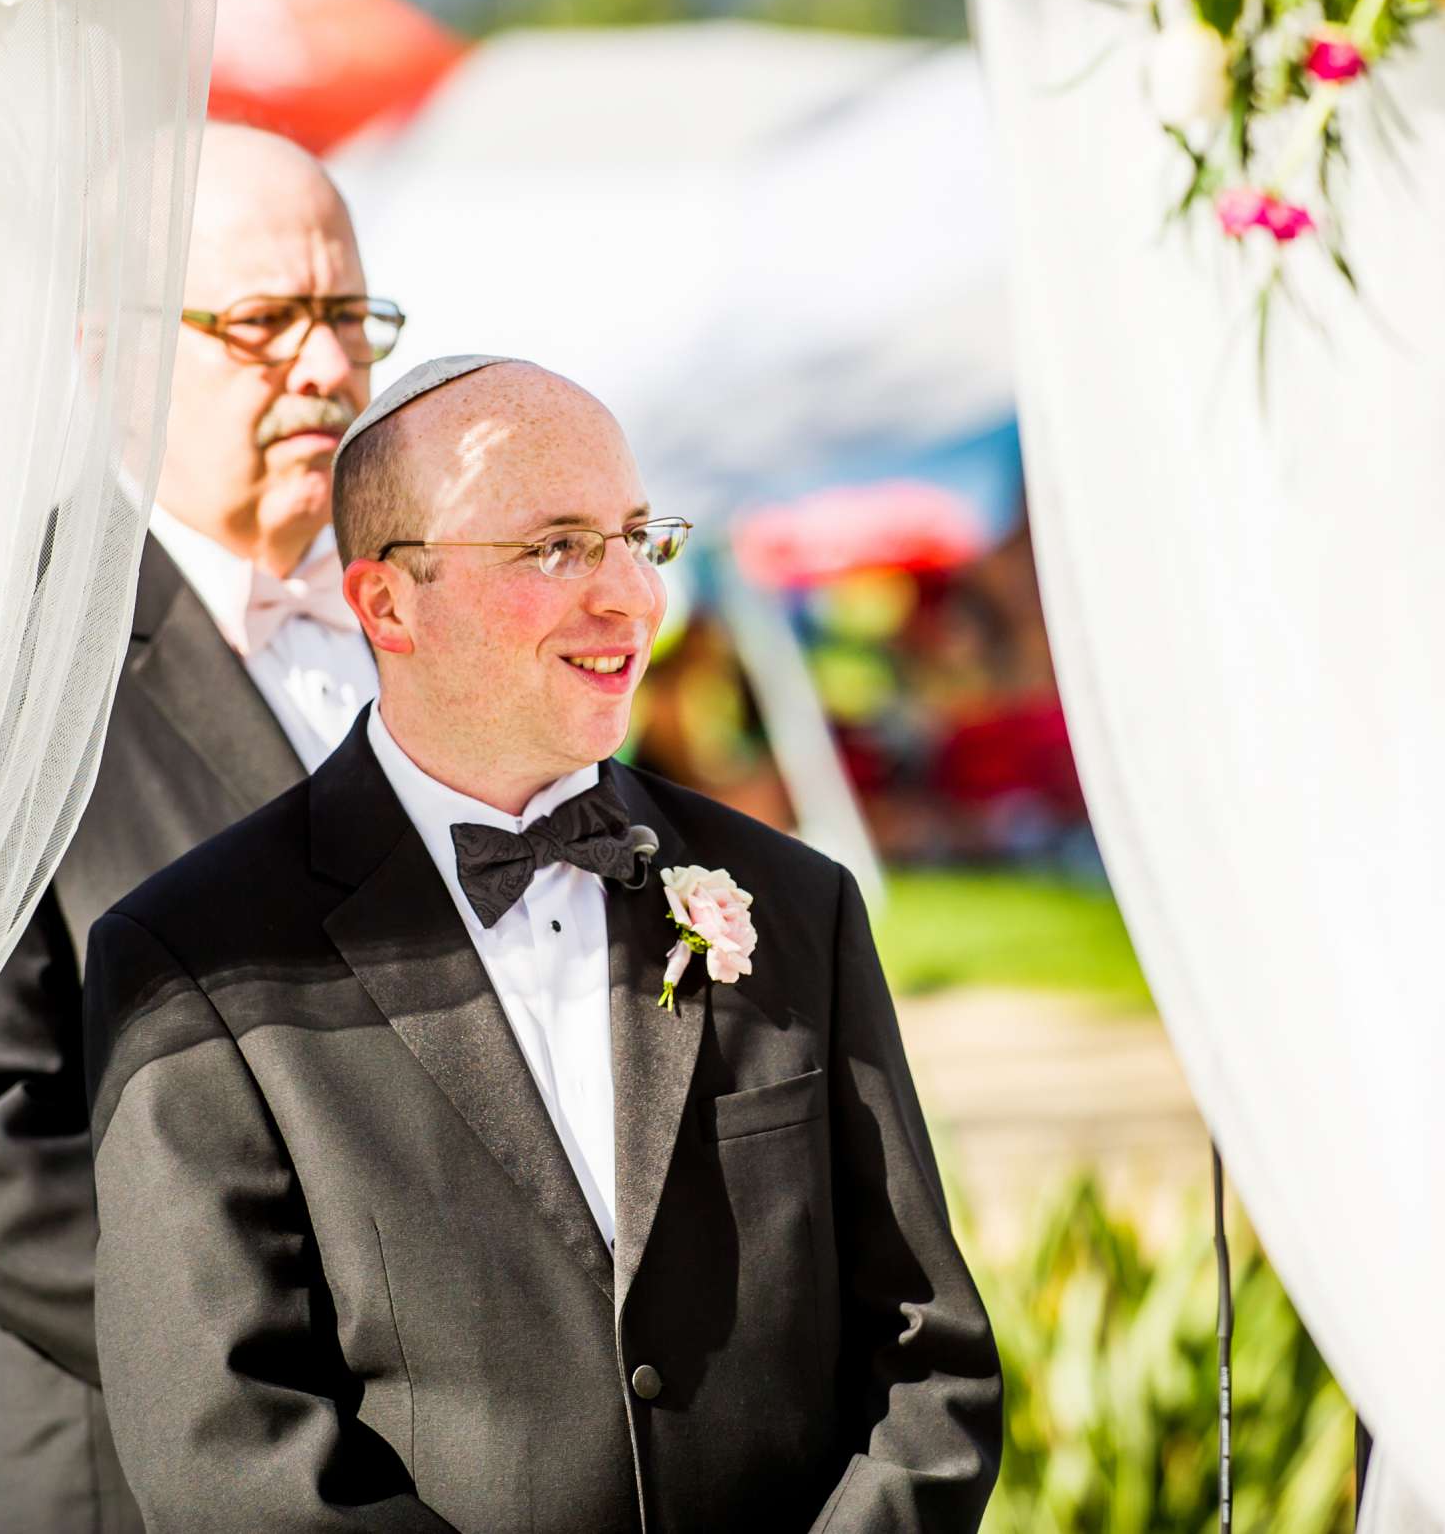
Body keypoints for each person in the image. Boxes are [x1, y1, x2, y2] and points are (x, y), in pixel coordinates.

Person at [81, 355, 1004, 1532]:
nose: (632, 596)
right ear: (387, 606)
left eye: (635, 537)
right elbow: (229, 1445)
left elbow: (930, 1358)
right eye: (557, 547)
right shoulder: (196, 956)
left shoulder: (796, 902)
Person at [0, 125, 403, 1534]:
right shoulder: (2, 660)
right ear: (115, 351)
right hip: (145, 1464)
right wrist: (273, 1366)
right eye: (268, 323)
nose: (330, 370)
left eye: (351, 318)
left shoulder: (420, 631)